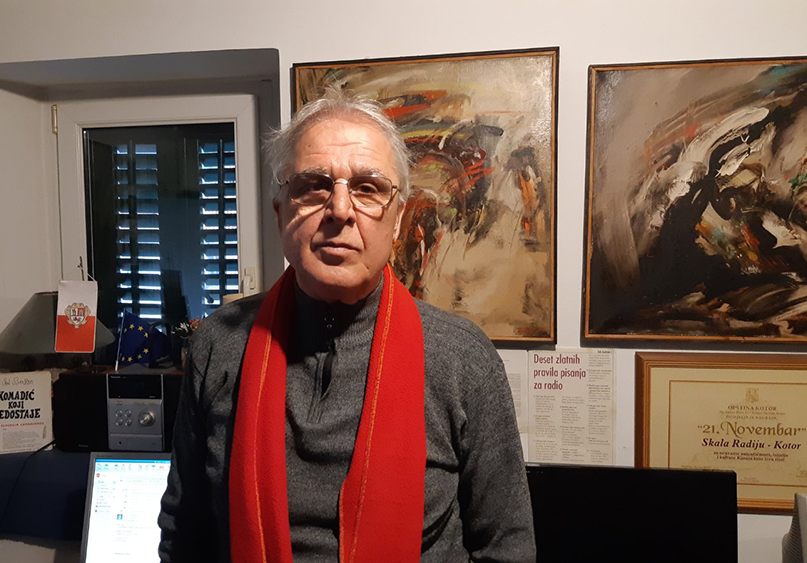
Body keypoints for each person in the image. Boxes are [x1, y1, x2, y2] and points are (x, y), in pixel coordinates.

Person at [158, 91, 535, 562]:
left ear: (397, 219)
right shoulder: (219, 344)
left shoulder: (462, 359)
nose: (339, 209)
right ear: (280, 213)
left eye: (368, 188)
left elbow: (507, 548)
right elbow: (184, 532)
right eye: (314, 186)